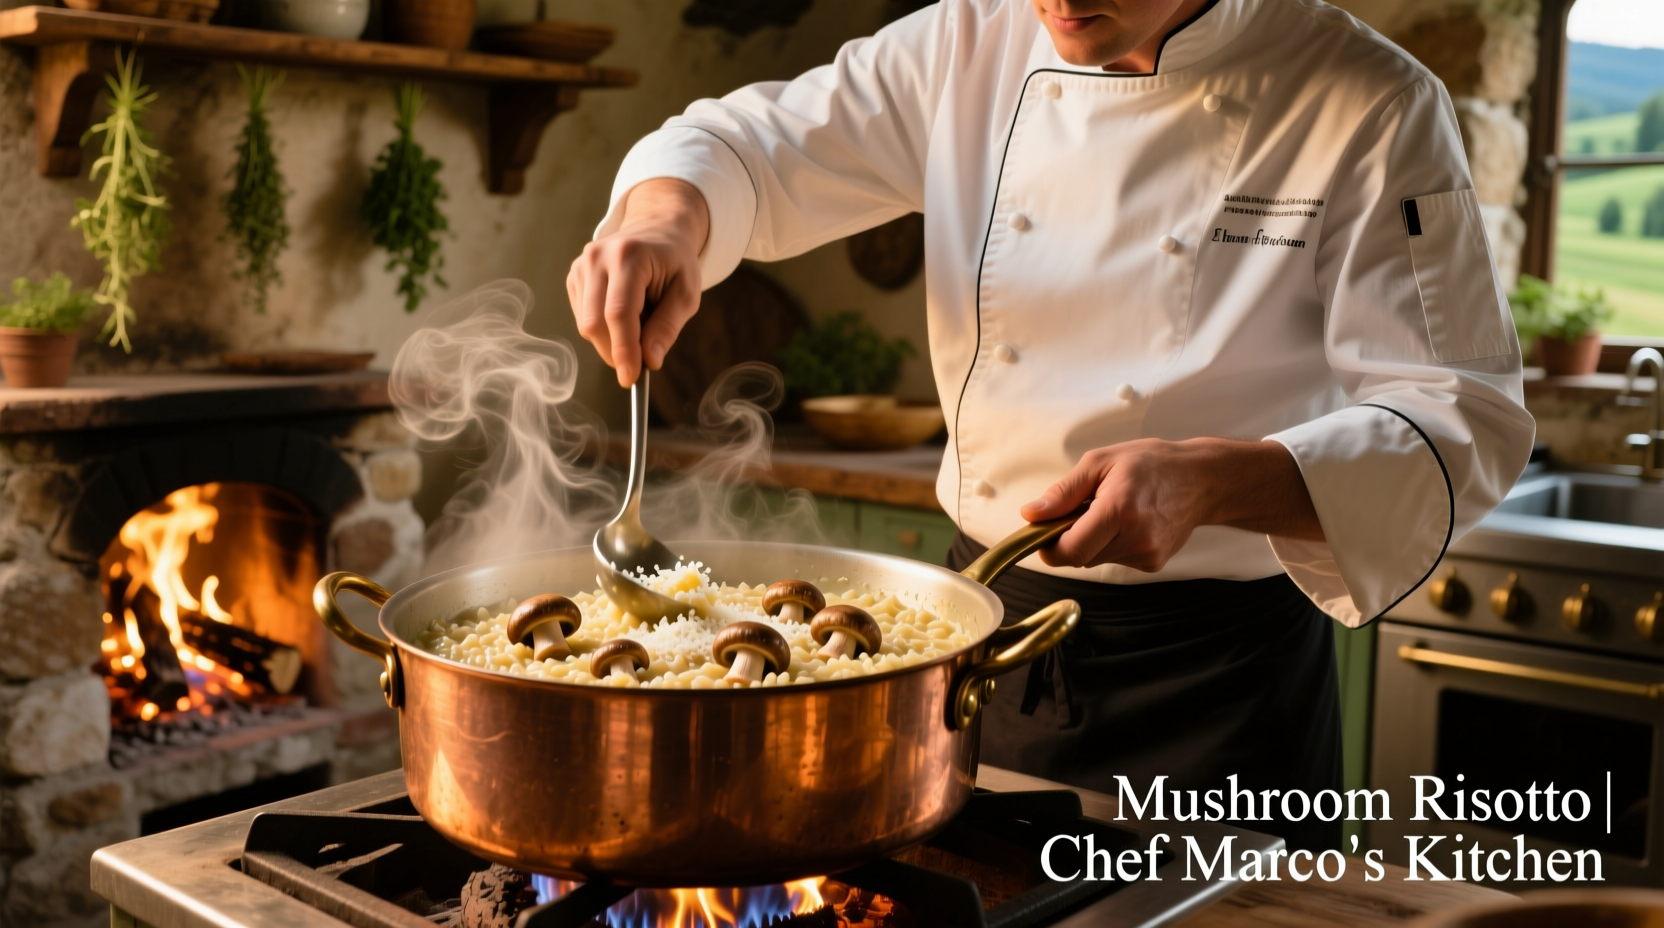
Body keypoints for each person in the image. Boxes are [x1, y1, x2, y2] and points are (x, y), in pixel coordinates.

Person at [566, 0, 1536, 851]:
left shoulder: (1365, 99)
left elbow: (1461, 415)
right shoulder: (964, 42)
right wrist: (665, 218)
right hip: (969, 647)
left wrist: (1217, 477)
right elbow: (752, 144)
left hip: (1216, 686)